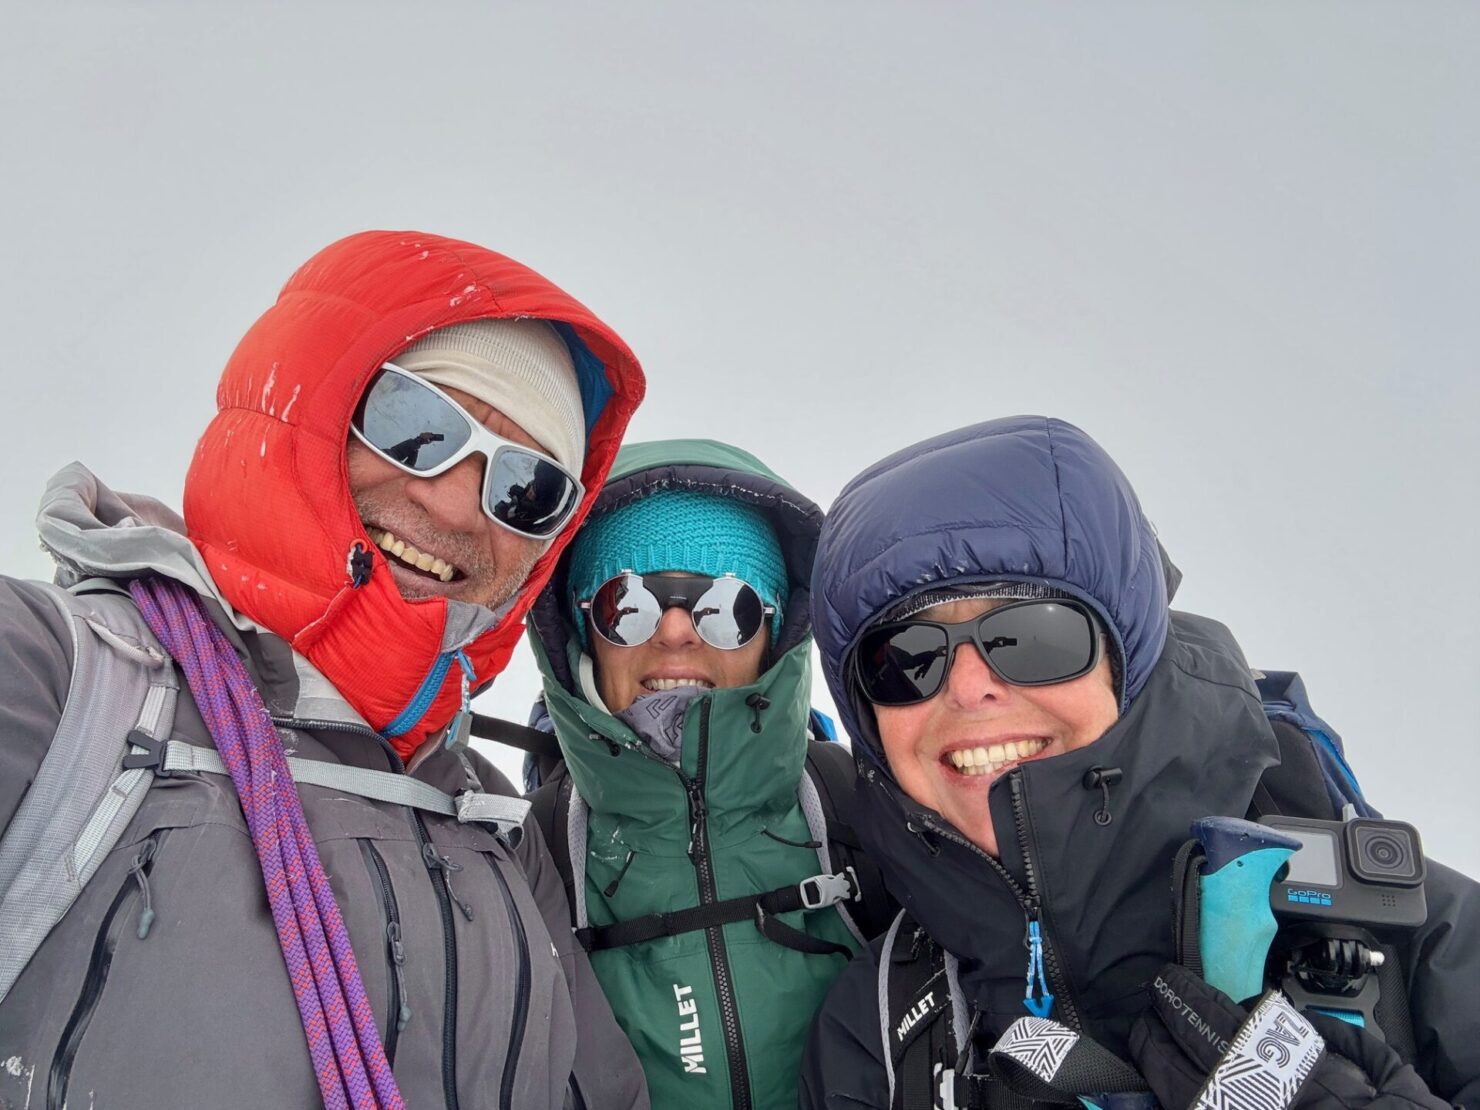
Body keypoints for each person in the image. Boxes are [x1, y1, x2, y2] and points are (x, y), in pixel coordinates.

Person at [0, 230, 650, 1109]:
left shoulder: (495, 826)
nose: (455, 502)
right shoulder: (62, 682)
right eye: (416, 426)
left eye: (526, 489)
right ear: (307, 402)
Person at [800, 416, 1480, 1109]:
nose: (970, 686)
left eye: (1033, 634)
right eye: (908, 660)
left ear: (1128, 662)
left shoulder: (1423, 941)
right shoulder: (875, 1034)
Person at [524, 439, 885, 1110]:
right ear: (580, 632)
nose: (673, 633)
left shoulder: (858, 808)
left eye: (725, 609)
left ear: (776, 632)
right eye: (624, 604)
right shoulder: (540, 852)